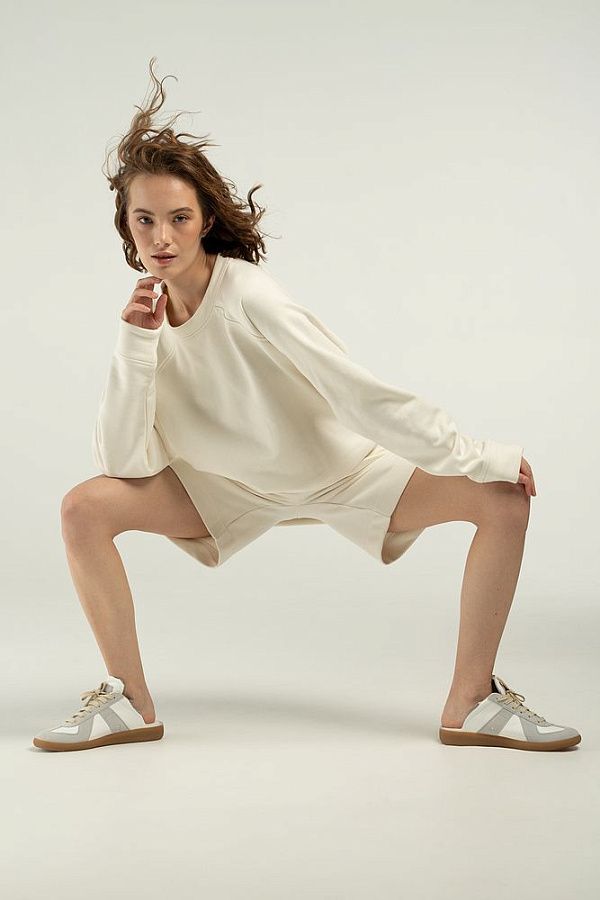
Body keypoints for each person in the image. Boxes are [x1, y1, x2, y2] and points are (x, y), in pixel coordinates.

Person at [33, 58, 580, 753]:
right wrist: (136, 345)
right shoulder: (148, 319)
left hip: (346, 473)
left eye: (178, 218)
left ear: (205, 221)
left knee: (503, 501)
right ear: (126, 225)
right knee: (83, 508)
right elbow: (125, 462)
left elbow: (355, 392)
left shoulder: (249, 296)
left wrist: (476, 456)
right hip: (228, 489)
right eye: (145, 220)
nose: (161, 238)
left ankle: (471, 701)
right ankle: (129, 703)